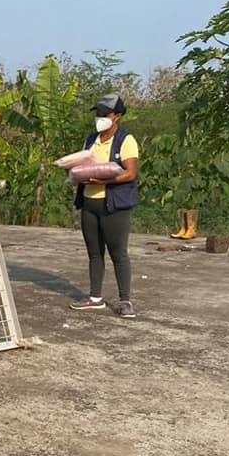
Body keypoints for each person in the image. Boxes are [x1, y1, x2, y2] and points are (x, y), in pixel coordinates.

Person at [69, 93, 140, 319]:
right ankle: (95, 298)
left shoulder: (126, 140)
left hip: (114, 205)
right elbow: (83, 164)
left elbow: (130, 173)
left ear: (117, 116)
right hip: (89, 203)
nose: (100, 117)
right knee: (94, 253)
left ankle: (125, 300)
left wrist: (104, 181)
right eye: (98, 113)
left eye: (104, 114)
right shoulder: (91, 140)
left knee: (118, 253)